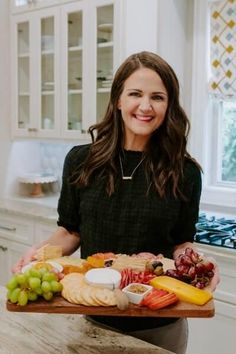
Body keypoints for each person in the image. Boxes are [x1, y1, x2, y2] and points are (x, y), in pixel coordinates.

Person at [13, 51, 219, 354]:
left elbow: (181, 242)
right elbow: (70, 231)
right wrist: (40, 254)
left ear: (169, 106)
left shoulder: (184, 172)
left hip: (161, 323)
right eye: (135, 94)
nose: (145, 106)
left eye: (158, 97)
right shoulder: (82, 160)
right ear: (118, 100)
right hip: (92, 320)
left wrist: (198, 264)